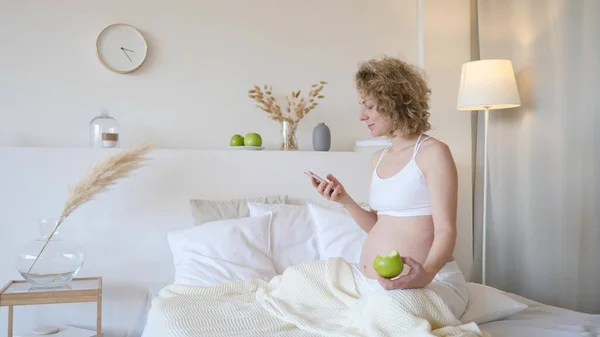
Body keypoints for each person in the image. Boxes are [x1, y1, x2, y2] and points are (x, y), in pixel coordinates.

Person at [308, 56, 468, 319]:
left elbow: (446, 230)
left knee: (385, 315)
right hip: (380, 285)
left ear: (394, 103)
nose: (362, 116)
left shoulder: (433, 153)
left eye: (368, 106)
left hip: (432, 282)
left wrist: (425, 274)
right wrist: (345, 200)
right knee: (301, 282)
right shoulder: (378, 158)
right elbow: (379, 225)